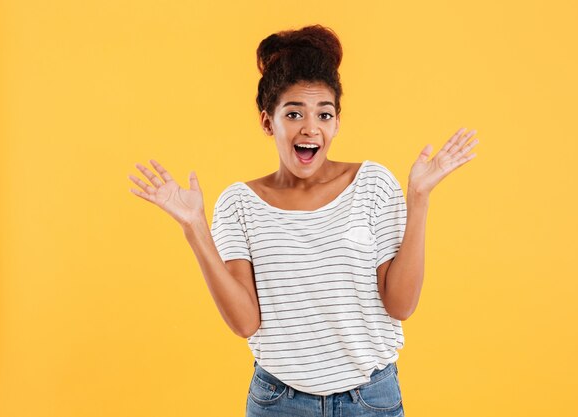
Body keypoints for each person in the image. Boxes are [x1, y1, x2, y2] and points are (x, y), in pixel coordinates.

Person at [128, 24, 479, 417]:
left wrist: (419, 198)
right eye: (294, 113)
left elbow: (401, 305)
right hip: (279, 402)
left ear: (336, 123)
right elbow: (245, 323)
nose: (310, 127)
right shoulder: (239, 204)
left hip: (370, 400)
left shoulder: (374, 185)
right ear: (268, 122)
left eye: (323, 114)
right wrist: (194, 227)